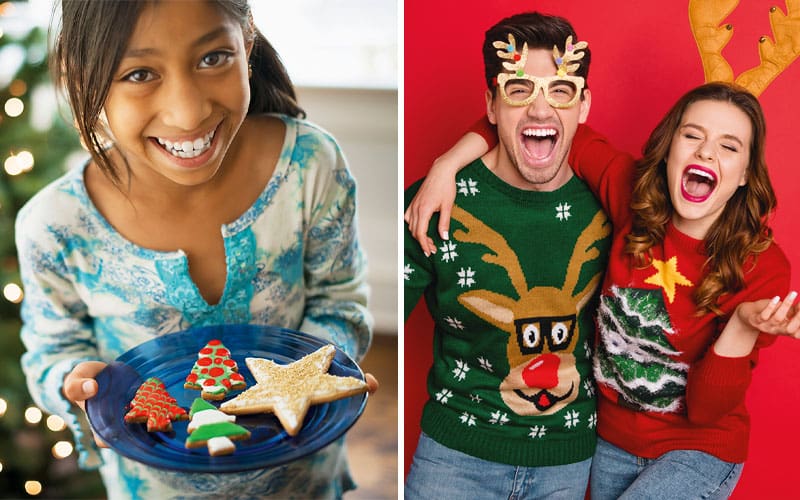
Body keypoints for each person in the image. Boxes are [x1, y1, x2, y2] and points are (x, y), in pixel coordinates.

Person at [16, 1, 377, 498]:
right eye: (140, 73)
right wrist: (72, 383)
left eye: (212, 58)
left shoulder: (311, 167)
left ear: (246, 45)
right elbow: (52, 352)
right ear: (83, 79)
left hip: (303, 482)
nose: (188, 112)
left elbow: (339, 301)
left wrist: (320, 374)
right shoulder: (54, 227)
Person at [405, 81, 800, 498]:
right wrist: (446, 165)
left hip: (698, 450)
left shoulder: (763, 266)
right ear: (668, 148)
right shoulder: (630, 194)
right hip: (613, 445)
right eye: (692, 135)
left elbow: (706, 412)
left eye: (729, 147)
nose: (705, 152)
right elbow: (538, 124)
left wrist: (742, 325)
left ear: (744, 176)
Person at [404, 12, 612, 498]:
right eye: (519, 91)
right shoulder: (437, 201)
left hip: (567, 460)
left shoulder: (611, 204)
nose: (540, 111)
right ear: (492, 106)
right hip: (453, 458)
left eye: (560, 92)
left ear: (583, 106)